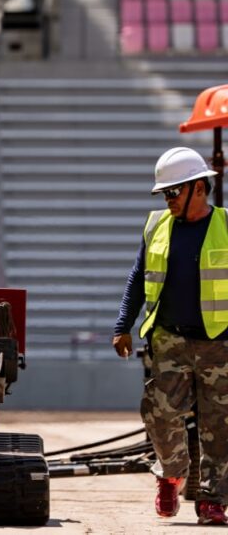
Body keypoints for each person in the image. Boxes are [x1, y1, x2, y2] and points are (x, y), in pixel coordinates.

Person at [113, 147, 228, 526]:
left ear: (199, 187)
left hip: (219, 342)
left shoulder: (226, 226)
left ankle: (213, 501)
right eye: (164, 193)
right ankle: (172, 474)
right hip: (169, 338)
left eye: (174, 192)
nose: (168, 200)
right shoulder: (156, 226)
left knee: (220, 426)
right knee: (160, 414)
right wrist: (122, 325)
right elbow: (136, 278)